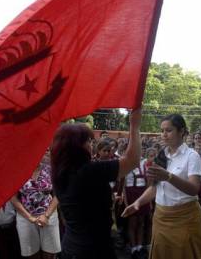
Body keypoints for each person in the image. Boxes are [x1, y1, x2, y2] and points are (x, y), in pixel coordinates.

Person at [52, 109, 142, 259]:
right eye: (88, 141)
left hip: (72, 246)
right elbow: (132, 161)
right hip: (93, 249)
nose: (91, 145)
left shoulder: (60, 172)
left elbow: (84, 200)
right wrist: (135, 125)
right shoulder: (89, 170)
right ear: (77, 145)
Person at [122, 114, 201, 259]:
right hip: (161, 218)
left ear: (181, 131)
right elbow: (155, 188)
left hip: (185, 217)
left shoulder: (191, 156)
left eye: (169, 130)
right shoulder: (161, 155)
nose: (164, 134)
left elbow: (193, 189)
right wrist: (138, 202)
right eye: (162, 130)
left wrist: (169, 177)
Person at [11, 151, 61, 259]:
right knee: (32, 254)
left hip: (49, 215)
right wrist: (30, 218)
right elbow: (13, 198)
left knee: (50, 254)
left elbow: (58, 194)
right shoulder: (18, 171)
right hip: (25, 217)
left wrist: (46, 215)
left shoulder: (50, 169)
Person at [124, 148, 153, 259]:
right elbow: (123, 186)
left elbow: (148, 183)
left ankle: (140, 246)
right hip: (131, 193)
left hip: (142, 193)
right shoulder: (126, 163)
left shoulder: (144, 163)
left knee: (141, 221)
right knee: (132, 222)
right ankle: (133, 247)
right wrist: (126, 203)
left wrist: (148, 200)